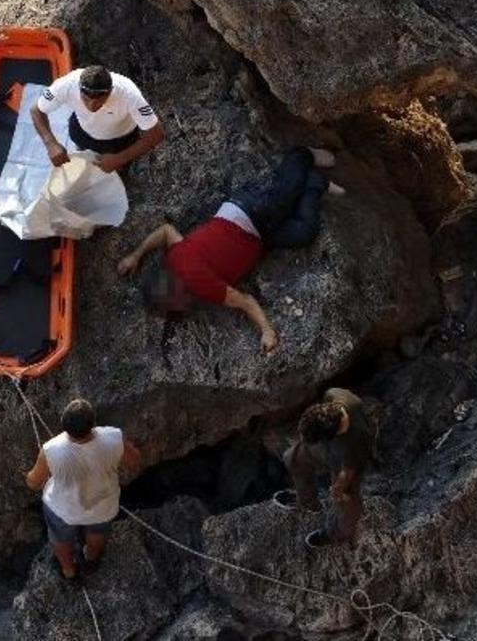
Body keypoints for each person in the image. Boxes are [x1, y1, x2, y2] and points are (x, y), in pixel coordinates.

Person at [116, 147, 342, 353]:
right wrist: (136, 255)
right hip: (257, 236)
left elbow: (246, 301)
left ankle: (302, 154)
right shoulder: (176, 258)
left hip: (250, 214)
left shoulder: (203, 287)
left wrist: (267, 330)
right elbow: (166, 231)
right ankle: (315, 182)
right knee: (303, 232)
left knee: (287, 191)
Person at [25, 399, 142, 580]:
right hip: (102, 505)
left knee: (60, 538)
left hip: (63, 509)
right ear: (93, 424)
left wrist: (29, 476)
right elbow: (134, 461)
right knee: (98, 532)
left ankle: (68, 570)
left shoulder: (51, 449)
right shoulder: (114, 437)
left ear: (64, 425)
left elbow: (33, 482)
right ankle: (91, 559)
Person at [273, 388, 376, 548]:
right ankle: (307, 502)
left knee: (346, 503)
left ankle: (337, 534)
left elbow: (349, 470)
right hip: (327, 446)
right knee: (293, 458)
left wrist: (339, 487)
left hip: (345, 463)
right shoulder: (333, 395)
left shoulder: (356, 440)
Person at [31, 64, 165, 173]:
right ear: (78, 89)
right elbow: (36, 110)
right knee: (86, 163)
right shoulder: (66, 84)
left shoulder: (129, 94)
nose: (91, 106)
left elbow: (156, 134)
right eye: (85, 99)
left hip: (120, 142)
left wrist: (119, 159)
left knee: (117, 171)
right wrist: (51, 143)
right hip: (82, 133)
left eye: (99, 101)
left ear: (111, 91)